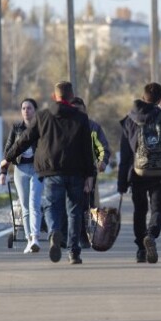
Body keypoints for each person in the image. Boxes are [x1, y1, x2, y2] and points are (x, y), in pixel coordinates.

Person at [2, 81, 95, 265]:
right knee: (74, 211)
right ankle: (74, 252)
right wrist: (90, 174)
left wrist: (8, 157)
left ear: (54, 97)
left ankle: (54, 233)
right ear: (71, 96)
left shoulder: (43, 116)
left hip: (51, 170)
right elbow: (87, 148)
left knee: (52, 205)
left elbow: (25, 139)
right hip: (76, 171)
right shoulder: (81, 118)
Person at [117, 82, 161, 264]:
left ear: (143, 98)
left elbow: (125, 154)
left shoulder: (129, 119)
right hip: (160, 172)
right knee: (158, 208)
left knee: (139, 211)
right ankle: (151, 235)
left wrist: (121, 183)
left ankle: (141, 250)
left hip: (137, 172)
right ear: (160, 100)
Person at [0, 98, 43, 254]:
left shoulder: (41, 127)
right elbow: (8, 152)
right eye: (23, 108)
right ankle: (29, 239)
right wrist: (3, 172)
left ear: (35, 110)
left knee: (34, 203)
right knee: (24, 206)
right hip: (21, 169)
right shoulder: (16, 128)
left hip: (38, 169)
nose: (26, 111)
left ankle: (36, 237)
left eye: (29, 108)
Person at [70, 96, 111, 248]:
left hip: (88, 172)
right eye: (74, 111)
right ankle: (69, 235)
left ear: (85, 111)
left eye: (80, 110)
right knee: (71, 205)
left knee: (87, 205)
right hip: (69, 172)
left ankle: (84, 236)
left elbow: (102, 148)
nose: (77, 114)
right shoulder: (65, 126)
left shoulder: (93, 127)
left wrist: (102, 161)